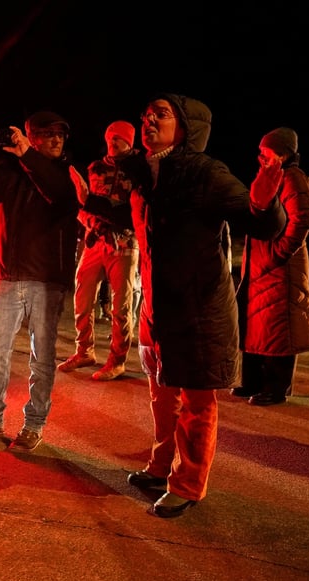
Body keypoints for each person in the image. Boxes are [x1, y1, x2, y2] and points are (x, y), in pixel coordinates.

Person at [121, 94, 285, 518]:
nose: (149, 120)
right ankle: (160, 466)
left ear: (186, 126)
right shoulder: (144, 173)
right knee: (161, 396)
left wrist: (265, 203)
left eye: (161, 114)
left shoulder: (205, 172)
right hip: (155, 305)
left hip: (197, 308)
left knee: (196, 402)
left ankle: (188, 484)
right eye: (146, 114)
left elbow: (260, 223)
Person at [0, 111, 80, 451]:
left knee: (42, 358)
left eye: (60, 134)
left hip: (47, 278)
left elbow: (60, 195)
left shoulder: (65, 171)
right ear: (31, 136)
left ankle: (34, 424)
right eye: (48, 134)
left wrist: (28, 156)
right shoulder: (10, 169)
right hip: (8, 275)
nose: (56, 140)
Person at [233, 127, 309, 406]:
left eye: (265, 151)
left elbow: (302, 219)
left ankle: (275, 388)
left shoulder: (292, 177)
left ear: (282, 154)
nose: (260, 156)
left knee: (279, 326)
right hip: (261, 264)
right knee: (256, 324)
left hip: (281, 268)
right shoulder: (270, 175)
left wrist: (279, 253)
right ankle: (253, 382)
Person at [58, 120, 141, 381]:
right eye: (110, 137)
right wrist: (90, 222)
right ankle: (84, 350)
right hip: (95, 242)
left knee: (121, 306)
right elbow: (82, 204)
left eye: (119, 138)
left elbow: (134, 213)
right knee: (82, 297)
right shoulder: (95, 168)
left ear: (129, 141)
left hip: (124, 244)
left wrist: (105, 216)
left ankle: (117, 361)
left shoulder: (138, 169)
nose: (113, 142)